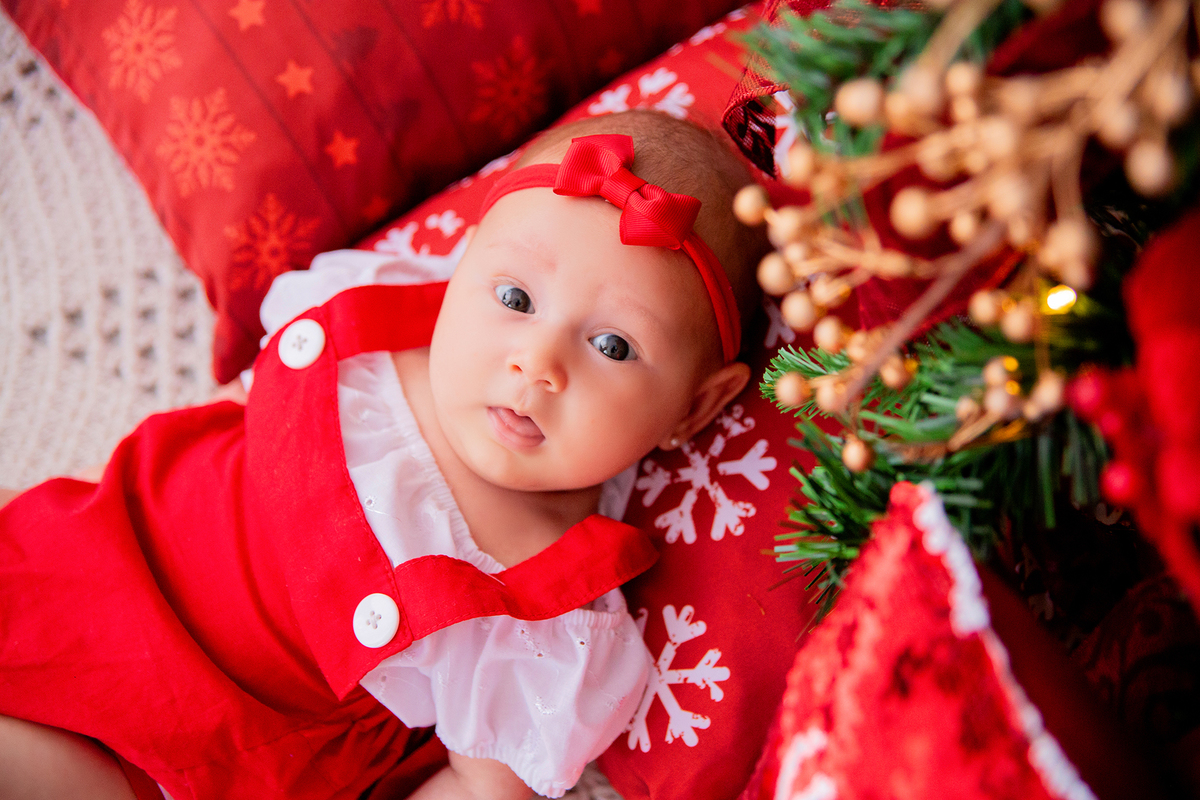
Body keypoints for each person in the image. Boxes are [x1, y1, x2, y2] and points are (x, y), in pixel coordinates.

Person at [0, 109, 764, 800]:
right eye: (515, 299)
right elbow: (248, 404)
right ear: (466, 262)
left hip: (203, 738)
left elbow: (482, 789)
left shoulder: (548, 616)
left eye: (612, 345)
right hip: (104, 548)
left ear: (697, 406)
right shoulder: (379, 311)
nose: (537, 363)